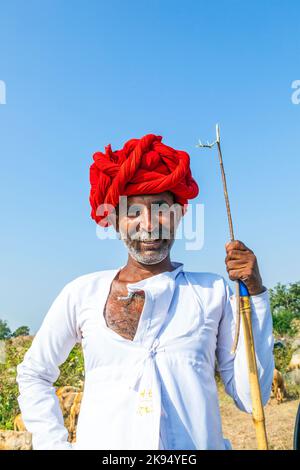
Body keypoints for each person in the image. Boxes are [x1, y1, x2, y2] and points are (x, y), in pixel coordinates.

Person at [16, 133, 274, 450]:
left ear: (179, 215)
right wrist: (54, 445)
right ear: (114, 221)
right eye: (134, 212)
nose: (149, 224)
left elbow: (253, 398)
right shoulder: (82, 294)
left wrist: (256, 294)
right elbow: (34, 374)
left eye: (161, 209)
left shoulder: (212, 292)